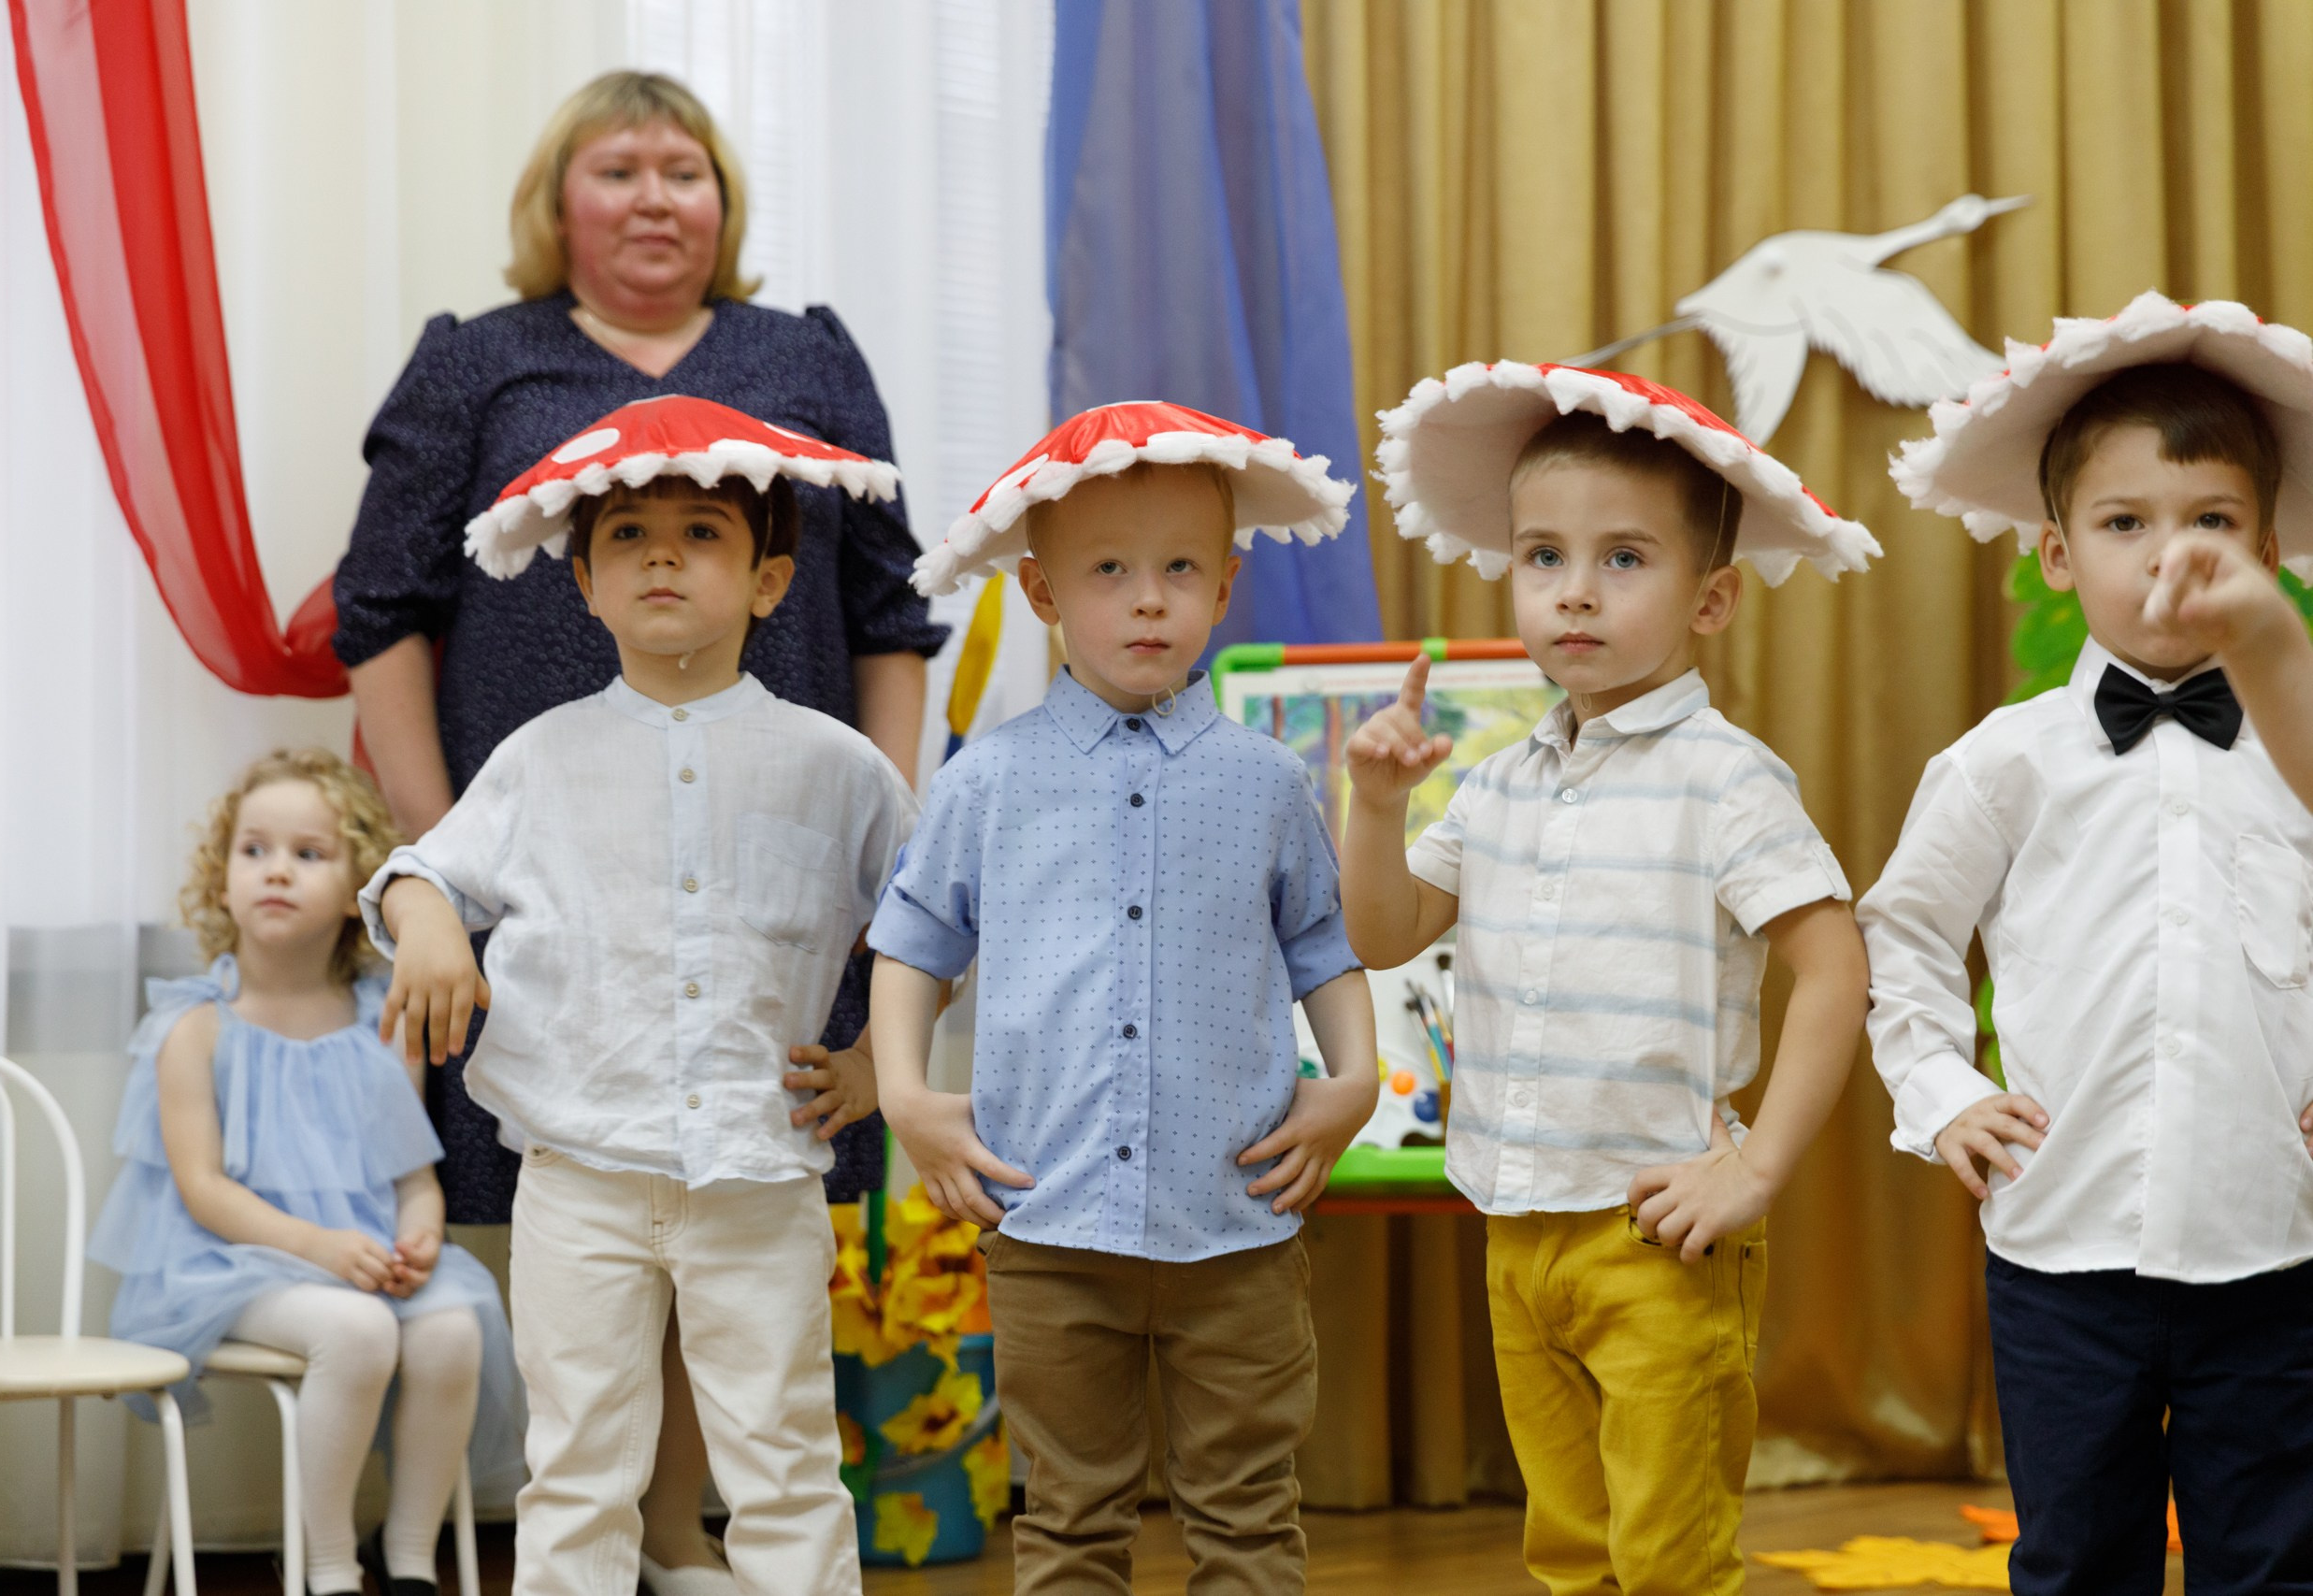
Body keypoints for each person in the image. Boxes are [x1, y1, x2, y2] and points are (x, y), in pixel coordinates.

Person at [331, 71, 945, 1589]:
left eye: (686, 168)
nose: (656, 195)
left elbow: (893, 629)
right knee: (580, 1428)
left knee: (779, 1432)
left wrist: (878, 992)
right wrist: (441, 885)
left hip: (763, 975)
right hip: (577, 976)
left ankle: (692, 1538)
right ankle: (638, 1545)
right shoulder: (480, 366)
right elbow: (381, 608)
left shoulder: (804, 360)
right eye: (619, 168)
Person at [1342, 365, 1876, 1596]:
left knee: (1669, 1551)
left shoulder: (1729, 780)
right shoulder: (1496, 781)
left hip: (1657, 1231)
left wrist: (1757, 1165)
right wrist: (1373, 807)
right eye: (1543, 556)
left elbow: (1834, 965)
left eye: (1624, 558)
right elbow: (1381, 933)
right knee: (1568, 1543)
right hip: (1514, 1224)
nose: (1574, 589)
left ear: (1711, 597)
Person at [871, 402, 1380, 1593]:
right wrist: (905, 1095)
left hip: (1237, 1224)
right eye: (1109, 571)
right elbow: (913, 943)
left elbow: (1323, 947)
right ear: (1042, 591)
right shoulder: (988, 782)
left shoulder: (1268, 781)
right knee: (1067, 1518)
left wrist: (1354, 1084)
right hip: (1048, 1223)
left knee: (1249, 1517)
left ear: (1225, 585)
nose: (1148, 600)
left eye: (1180, 570)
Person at [1872, 295, 2313, 1596]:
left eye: (2210, 522)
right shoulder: (2002, 762)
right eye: (2126, 524)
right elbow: (1903, 933)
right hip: (2061, 1247)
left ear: (2269, 549)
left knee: (2275, 1557)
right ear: (2058, 555)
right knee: (2074, 1559)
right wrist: (1941, 1089)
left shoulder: (2299, 756)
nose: (2170, 557)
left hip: (2270, 1238)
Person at [88, 750, 523, 1596]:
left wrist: (420, 1233)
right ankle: (325, 1565)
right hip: (228, 1261)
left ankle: (408, 1556)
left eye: (308, 853)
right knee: (357, 1332)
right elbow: (203, 1189)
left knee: (452, 1328)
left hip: (360, 1255)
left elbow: (411, 1175)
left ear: (359, 886)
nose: (276, 869)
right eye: (254, 849)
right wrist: (321, 1248)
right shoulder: (195, 1026)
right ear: (222, 879)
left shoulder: (380, 1021)